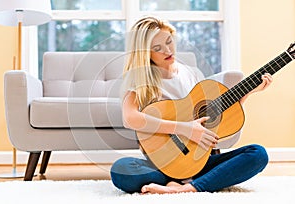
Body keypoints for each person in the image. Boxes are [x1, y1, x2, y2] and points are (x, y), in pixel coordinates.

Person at [110, 16, 272, 194]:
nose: (167, 50)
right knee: (121, 170)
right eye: (157, 48)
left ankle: (186, 187)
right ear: (145, 53)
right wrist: (184, 128)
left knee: (258, 154)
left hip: (200, 160)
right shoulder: (138, 77)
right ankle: (191, 181)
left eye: (169, 42)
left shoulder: (189, 72)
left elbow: (215, 116)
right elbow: (130, 118)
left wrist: (249, 91)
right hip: (163, 163)